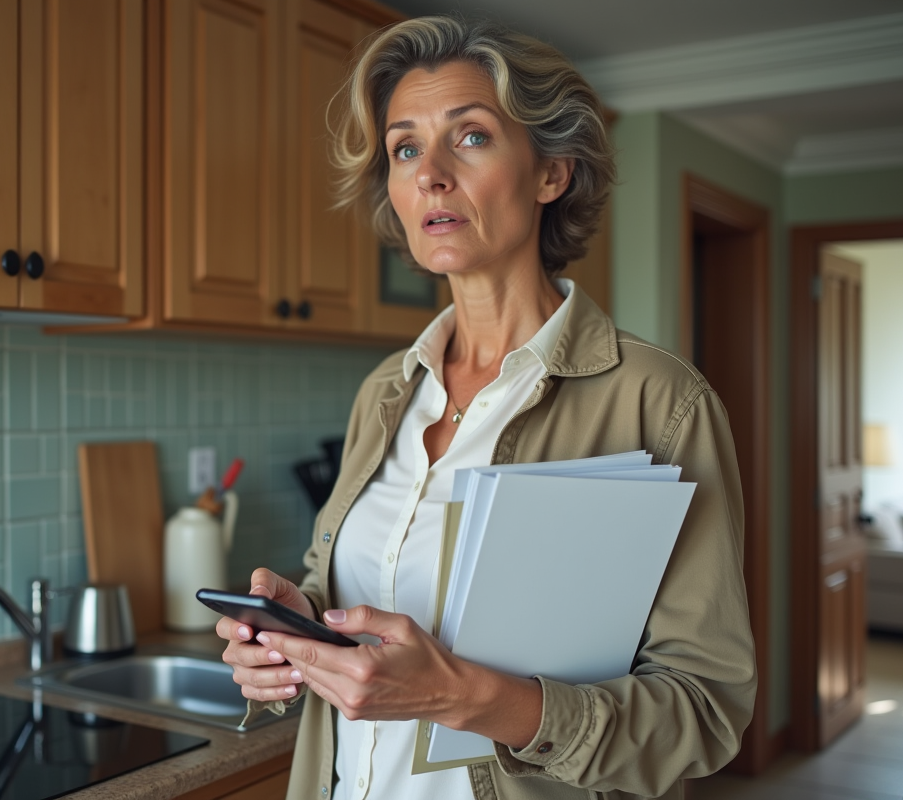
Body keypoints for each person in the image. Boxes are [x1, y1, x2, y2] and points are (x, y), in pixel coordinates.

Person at [215, 16, 756, 800]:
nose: (430, 173)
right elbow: (364, 595)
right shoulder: (386, 392)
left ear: (551, 173)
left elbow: (704, 713)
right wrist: (301, 626)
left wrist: (467, 697)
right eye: (405, 148)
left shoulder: (660, 403)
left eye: (469, 137)